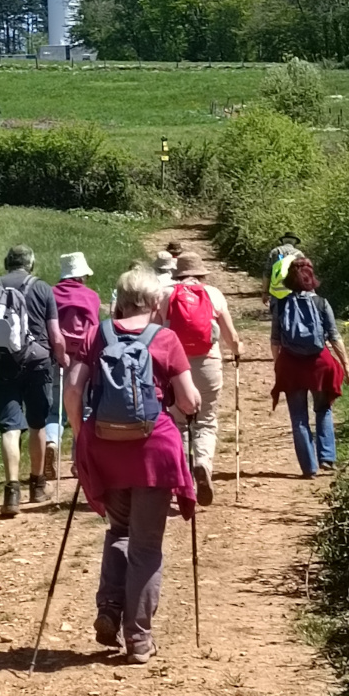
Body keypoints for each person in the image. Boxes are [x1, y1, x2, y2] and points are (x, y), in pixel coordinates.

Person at [65, 267, 200, 665]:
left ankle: (109, 607)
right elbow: (189, 401)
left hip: (106, 447)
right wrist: (183, 408)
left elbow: (72, 390)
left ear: (119, 300)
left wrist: (82, 436)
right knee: (146, 545)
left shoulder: (97, 334)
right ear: (156, 302)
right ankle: (139, 639)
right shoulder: (166, 339)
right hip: (154, 450)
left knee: (119, 530)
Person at [0, 244, 68, 517]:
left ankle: (11, 492)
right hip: (38, 362)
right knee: (38, 423)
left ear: (7, 262)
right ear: (31, 263)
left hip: (1, 365)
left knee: (10, 427)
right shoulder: (42, 288)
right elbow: (55, 335)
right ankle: (37, 486)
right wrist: (61, 357)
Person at [160, 251, 242, 506]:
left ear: (178, 274)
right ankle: (203, 462)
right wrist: (238, 350)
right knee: (205, 420)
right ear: (201, 273)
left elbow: (154, 331)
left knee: (179, 422)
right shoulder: (213, 294)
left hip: (175, 366)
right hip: (208, 363)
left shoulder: (165, 295)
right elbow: (231, 336)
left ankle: (184, 477)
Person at [271, 257, 349, 477]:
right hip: (319, 364)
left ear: (289, 280)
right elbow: (334, 336)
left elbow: (275, 340)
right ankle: (327, 457)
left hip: (291, 365)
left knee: (298, 417)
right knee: (323, 409)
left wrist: (278, 365)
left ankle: (309, 468)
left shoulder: (280, 304)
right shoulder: (321, 303)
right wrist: (346, 365)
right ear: (311, 278)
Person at [44, 251, 101, 480]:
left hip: (57, 357)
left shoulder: (50, 293)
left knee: (55, 410)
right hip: (84, 360)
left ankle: (51, 441)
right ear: (82, 276)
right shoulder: (92, 296)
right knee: (84, 409)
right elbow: (95, 329)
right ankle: (79, 462)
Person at [262, 232, 303, 306]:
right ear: (295, 242)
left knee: (277, 311)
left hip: (276, 291)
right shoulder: (299, 254)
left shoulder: (274, 252)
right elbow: (304, 275)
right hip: (293, 292)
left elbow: (267, 273)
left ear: (283, 241)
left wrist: (264, 292)